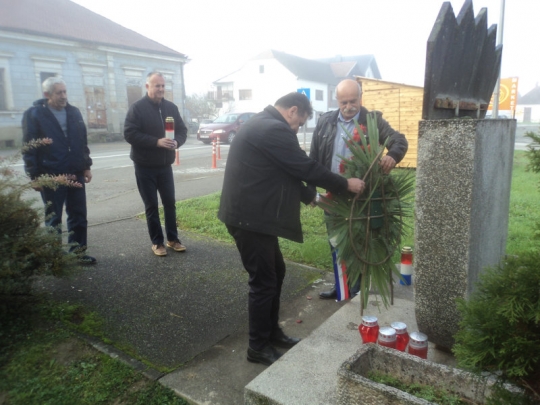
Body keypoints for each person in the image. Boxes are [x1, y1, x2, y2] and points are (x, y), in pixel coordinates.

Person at [218, 92, 366, 366]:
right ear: (293, 111)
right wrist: (345, 184)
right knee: (263, 282)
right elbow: (304, 167)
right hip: (249, 218)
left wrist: (316, 199)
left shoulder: (263, 124)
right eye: (299, 123)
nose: (297, 128)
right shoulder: (273, 128)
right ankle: (257, 347)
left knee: (277, 272)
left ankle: (271, 332)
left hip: (252, 215)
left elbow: (284, 171)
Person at [310, 79, 408, 300]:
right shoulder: (325, 122)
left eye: (353, 101)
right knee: (336, 243)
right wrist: (312, 191)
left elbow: (399, 140)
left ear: (360, 98)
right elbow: (313, 159)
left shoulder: (373, 120)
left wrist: (393, 155)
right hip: (333, 194)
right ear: (337, 100)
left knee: (358, 242)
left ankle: (356, 289)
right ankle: (341, 286)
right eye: (343, 102)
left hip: (362, 195)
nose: (348, 106)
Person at [22, 77, 96, 264]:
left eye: (65, 92)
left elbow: (82, 140)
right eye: (59, 93)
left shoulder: (74, 112)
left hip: (75, 171)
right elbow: (30, 147)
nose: (64, 96)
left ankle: (78, 253)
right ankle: (54, 259)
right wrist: (34, 176)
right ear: (47, 95)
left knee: (79, 215)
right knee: (53, 218)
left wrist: (86, 165)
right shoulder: (34, 114)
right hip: (51, 173)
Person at [124, 72, 188, 256]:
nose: (160, 89)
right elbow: (129, 134)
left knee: (170, 203)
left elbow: (183, 130)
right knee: (151, 206)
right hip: (144, 166)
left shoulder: (171, 108)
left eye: (162, 85)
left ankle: (173, 239)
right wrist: (156, 142)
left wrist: (177, 142)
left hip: (165, 165)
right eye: (156, 85)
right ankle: (157, 242)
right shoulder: (137, 108)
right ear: (147, 87)